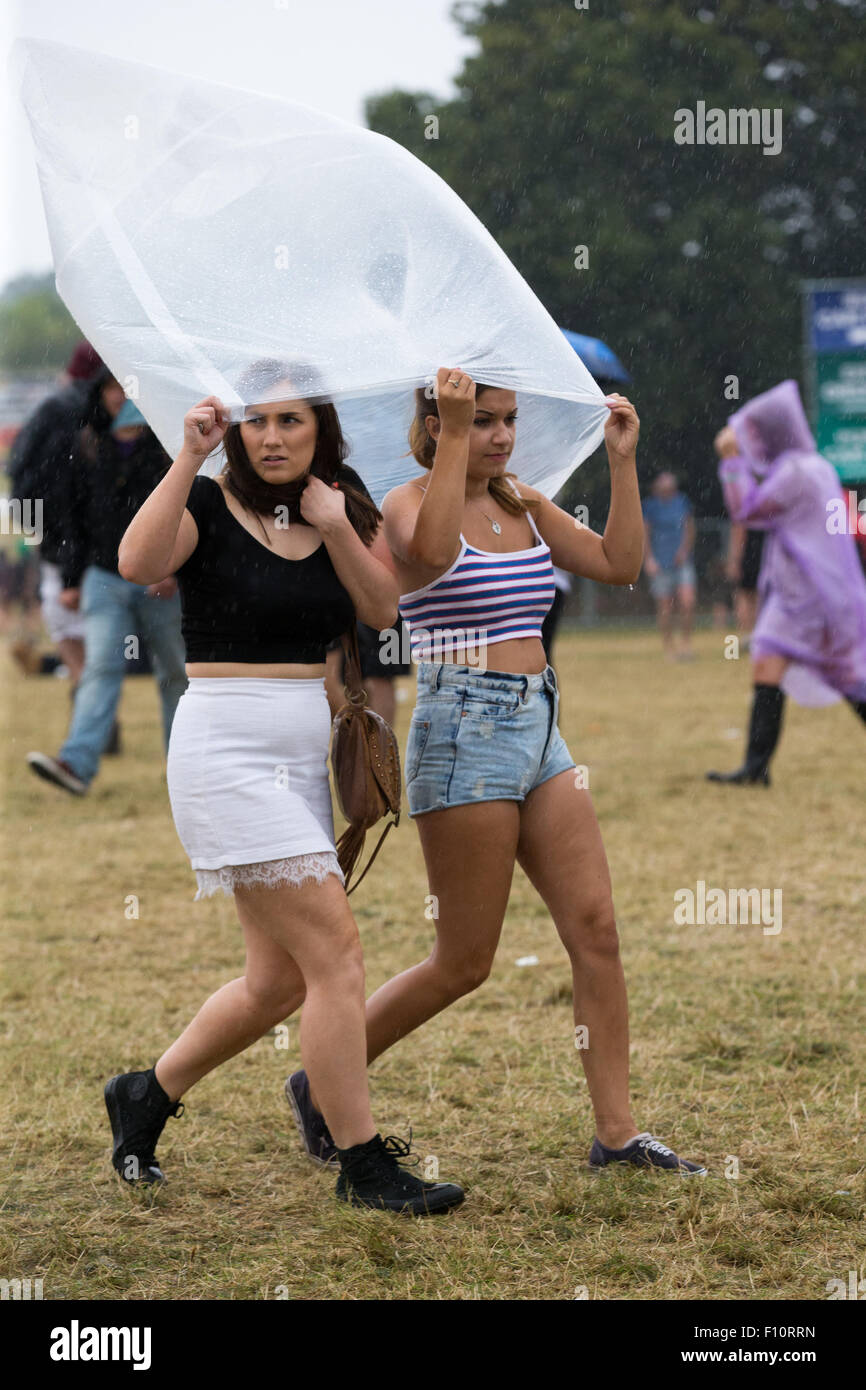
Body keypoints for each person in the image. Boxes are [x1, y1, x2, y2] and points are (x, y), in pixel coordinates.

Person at [286, 367, 707, 1178]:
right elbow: (433, 556)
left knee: (597, 931)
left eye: (507, 420)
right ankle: (324, 1075)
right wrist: (450, 440)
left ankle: (616, 1138)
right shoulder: (409, 503)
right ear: (439, 422)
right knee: (464, 961)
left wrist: (621, 462)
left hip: (540, 723)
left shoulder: (522, 500)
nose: (502, 436)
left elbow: (621, 565)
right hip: (461, 729)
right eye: (480, 421)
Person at [105, 361, 464, 1216]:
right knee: (337, 956)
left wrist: (339, 526)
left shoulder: (334, 505)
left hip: (302, 756)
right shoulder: (205, 504)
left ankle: (144, 1095)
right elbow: (134, 561)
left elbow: (381, 613)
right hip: (222, 751)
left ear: (319, 430)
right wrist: (186, 459)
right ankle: (363, 1164)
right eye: (257, 422)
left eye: (291, 422)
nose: (272, 438)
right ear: (235, 428)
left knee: (278, 983)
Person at [707, 379, 866, 786]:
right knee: (769, 661)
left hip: (811, 596)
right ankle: (755, 768)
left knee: (848, 677)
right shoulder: (815, 467)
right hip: (810, 593)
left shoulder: (796, 472)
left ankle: (755, 769)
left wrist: (730, 460)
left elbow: (747, 510)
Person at [25, 396, 186, 795]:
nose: (120, 397)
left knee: (176, 673)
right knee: (100, 667)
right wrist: (71, 579)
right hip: (103, 577)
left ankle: (184, 767)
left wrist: (171, 567)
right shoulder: (88, 448)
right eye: (113, 387)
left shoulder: (169, 449)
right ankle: (76, 765)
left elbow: (185, 509)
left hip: (158, 580)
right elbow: (73, 517)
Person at [7, 341, 114, 689]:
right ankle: (91, 696)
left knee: (66, 618)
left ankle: (85, 689)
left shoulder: (57, 408)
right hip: (104, 537)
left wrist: (37, 531)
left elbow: (20, 470)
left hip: (62, 534)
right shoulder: (111, 408)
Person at [642, 471, 696, 659]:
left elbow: (690, 529)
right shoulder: (650, 506)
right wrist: (648, 559)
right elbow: (644, 534)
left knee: (687, 602)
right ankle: (669, 647)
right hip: (660, 562)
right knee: (665, 607)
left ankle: (686, 645)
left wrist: (684, 551)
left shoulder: (682, 502)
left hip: (681, 562)